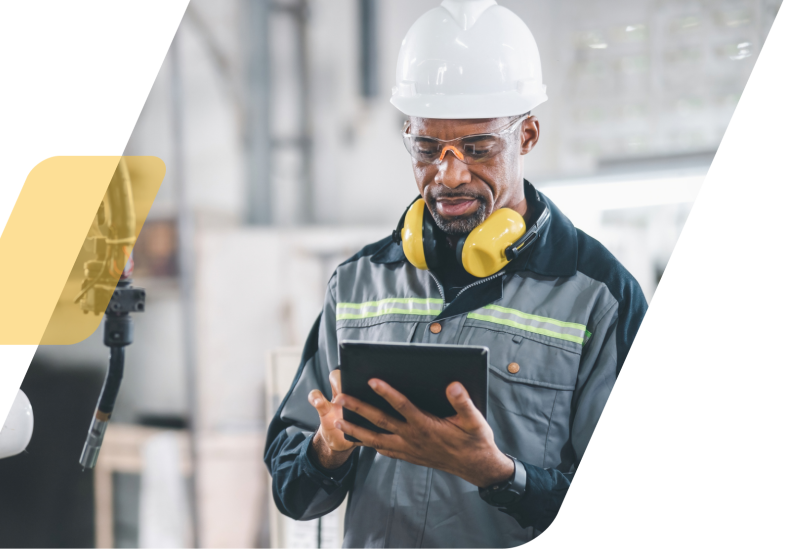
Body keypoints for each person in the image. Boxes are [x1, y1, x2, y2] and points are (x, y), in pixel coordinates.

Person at [265, 0, 648, 548]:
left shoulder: (600, 300)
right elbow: (293, 491)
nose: (448, 175)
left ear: (529, 135)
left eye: (476, 148)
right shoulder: (355, 285)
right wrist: (328, 448)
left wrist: (500, 475)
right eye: (426, 148)